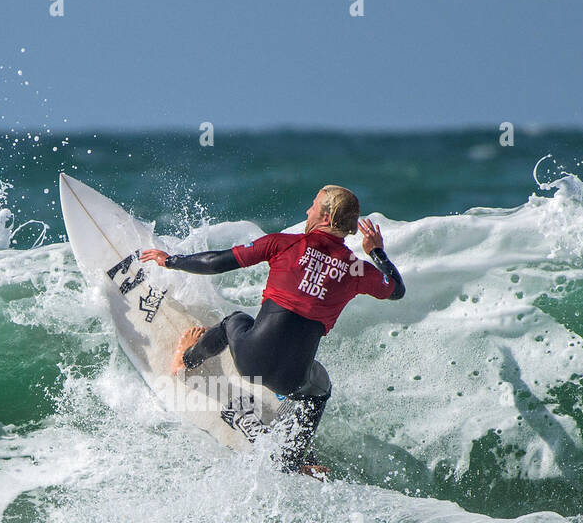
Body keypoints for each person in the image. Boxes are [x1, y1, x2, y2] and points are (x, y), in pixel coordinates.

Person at [140, 185, 405, 475]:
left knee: (235, 321)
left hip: (249, 359)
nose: (308, 210)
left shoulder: (285, 244)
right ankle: (295, 459)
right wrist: (376, 251)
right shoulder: (358, 271)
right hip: (290, 380)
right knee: (319, 387)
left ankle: (186, 360)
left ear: (326, 219)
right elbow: (396, 290)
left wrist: (171, 261)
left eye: (313, 206)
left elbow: (217, 262)